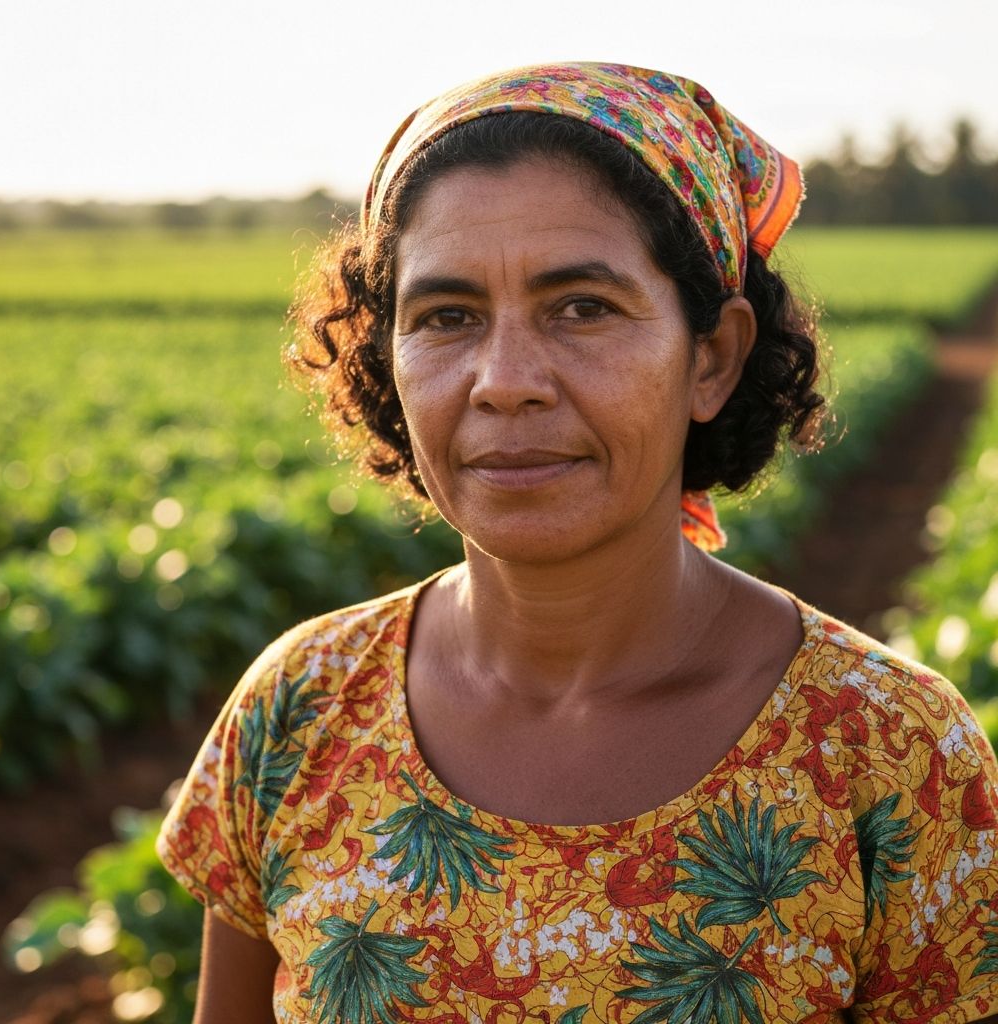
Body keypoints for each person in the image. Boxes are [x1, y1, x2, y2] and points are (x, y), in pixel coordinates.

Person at [156, 63, 998, 1024]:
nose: (504, 380)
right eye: (447, 317)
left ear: (712, 356)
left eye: (582, 307)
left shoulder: (893, 753)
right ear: (386, 356)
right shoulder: (297, 708)